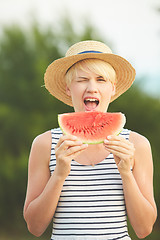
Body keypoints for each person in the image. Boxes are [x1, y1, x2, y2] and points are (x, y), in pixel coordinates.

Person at [23, 40, 157, 240]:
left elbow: (144, 229)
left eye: (101, 79)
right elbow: (34, 227)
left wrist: (126, 173)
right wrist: (59, 174)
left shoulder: (136, 144)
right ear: (68, 89)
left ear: (112, 88)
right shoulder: (45, 144)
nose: (92, 88)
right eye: (82, 79)